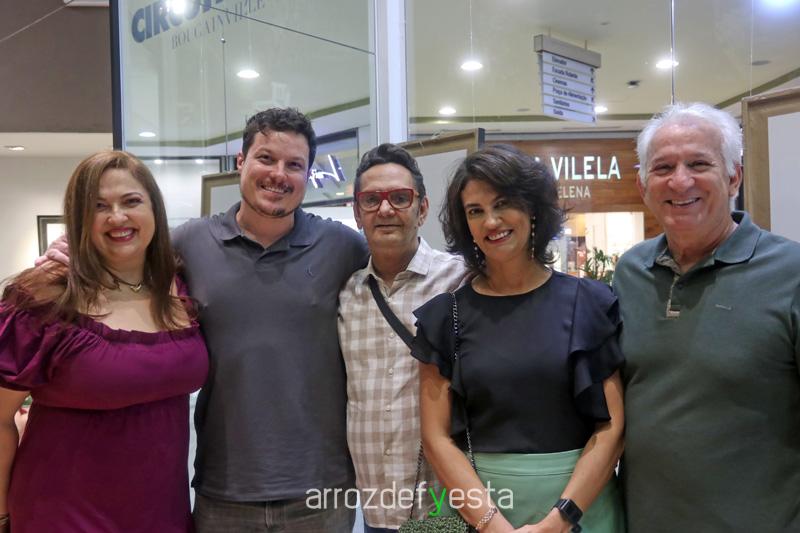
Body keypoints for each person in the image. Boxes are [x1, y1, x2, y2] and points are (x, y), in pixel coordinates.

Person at [171, 108, 368, 532]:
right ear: (240, 162)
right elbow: (119, 268)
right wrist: (66, 254)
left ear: (307, 174)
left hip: (321, 491)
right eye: (266, 158)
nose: (279, 174)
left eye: (294, 165)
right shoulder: (189, 243)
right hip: (224, 490)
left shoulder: (343, 247)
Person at [411, 144, 625, 532]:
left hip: (582, 508)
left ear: (532, 208)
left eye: (503, 204)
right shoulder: (444, 317)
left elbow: (611, 428)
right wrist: (492, 525)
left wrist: (559, 521)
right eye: (475, 211)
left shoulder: (591, 304)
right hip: (482, 509)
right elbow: (436, 438)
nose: (491, 221)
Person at [613, 102, 800, 532]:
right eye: (663, 167)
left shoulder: (790, 272)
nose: (680, 181)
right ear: (643, 186)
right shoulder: (631, 271)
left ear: (734, 176)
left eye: (699, 164)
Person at [0, 151, 208, 532]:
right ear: (79, 218)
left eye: (131, 201)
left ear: (154, 210)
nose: (117, 217)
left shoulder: (179, 286)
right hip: (62, 517)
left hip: (163, 516)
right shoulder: (43, 300)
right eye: (99, 206)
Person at [338, 144, 467, 532]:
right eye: (371, 199)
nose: (385, 209)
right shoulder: (345, 294)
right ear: (357, 213)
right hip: (375, 511)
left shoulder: (461, 281)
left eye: (399, 197)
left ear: (422, 209)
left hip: (442, 505)